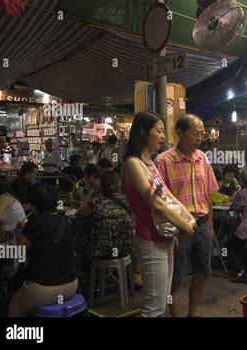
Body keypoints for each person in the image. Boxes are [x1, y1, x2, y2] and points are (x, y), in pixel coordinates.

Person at [122, 112, 195, 317]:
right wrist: (185, 225)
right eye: (159, 131)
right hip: (150, 238)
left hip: (165, 236)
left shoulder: (150, 163)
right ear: (143, 132)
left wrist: (188, 216)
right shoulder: (133, 163)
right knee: (153, 306)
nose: (163, 136)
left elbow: (168, 196)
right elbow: (157, 204)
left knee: (162, 301)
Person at [155, 114, 219, 317]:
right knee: (177, 278)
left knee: (203, 272)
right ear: (179, 133)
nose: (199, 138)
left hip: (201, 225)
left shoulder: (203, 158)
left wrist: (209, 223)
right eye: (194, 134)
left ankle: (194, 312)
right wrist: (171, 231)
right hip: (178, 228)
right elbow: (158, 201)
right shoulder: (163, 161)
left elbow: (208, 193)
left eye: (202, 134)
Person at [8, 184, 77, 317]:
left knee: (14, 306)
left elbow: (19, 252)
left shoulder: (34, 224)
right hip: (72, 285)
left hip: (43, 289)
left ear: (34, 205)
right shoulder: (65, 221)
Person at [76, 170, 134, 260]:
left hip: (101, 251)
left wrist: (90, 193)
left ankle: (85, 271)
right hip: (127, 249)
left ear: (101, 186)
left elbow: (79, 214)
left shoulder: (96, 202)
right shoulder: (128, 201)